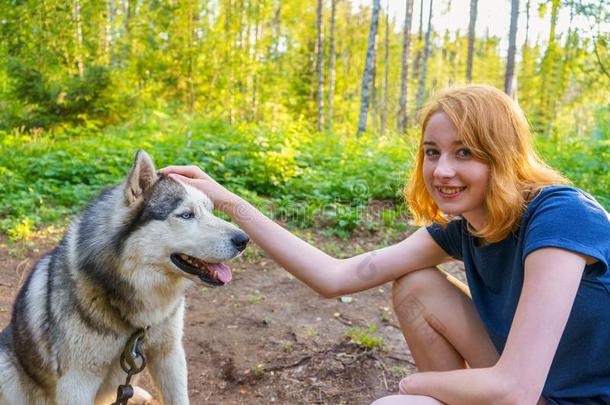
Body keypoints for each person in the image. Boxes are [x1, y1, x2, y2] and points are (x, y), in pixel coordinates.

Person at [160, 85, 610, 404]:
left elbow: (515, 389)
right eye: (432, 152)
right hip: (529, 390)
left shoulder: (561, 215)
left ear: (503, 155)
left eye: (465, 152)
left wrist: (417, 386)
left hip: (556, 394)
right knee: (416, 285)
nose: (442, 170)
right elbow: (338, 276)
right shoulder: (466, 227)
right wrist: (226, 200)